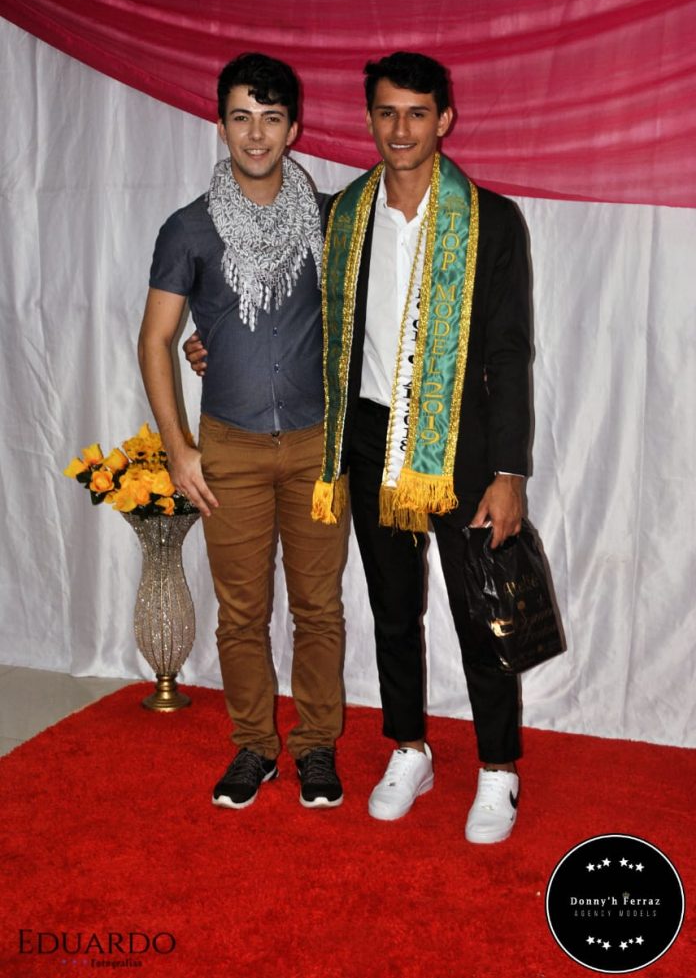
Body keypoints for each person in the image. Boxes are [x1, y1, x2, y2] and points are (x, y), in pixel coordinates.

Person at [311, 52, 532, 843]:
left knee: (483, 612)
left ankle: (499, 766)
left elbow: (509, 352)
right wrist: (213, 346)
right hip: (371, 437)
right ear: (369, 118)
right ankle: (410, 747)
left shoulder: (492, 220)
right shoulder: (343, 216)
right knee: (393, 608)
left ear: (445, 120)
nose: (400, 128)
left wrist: (509, 471)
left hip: (461, 445)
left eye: (416, 112)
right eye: (386, 112)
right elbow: (309, 322)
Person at [138, 53, 346, 812]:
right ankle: (255, 744)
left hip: (319, 447)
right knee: (242, 611)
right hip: (227, 446)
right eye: (241, 117)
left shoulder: (332, 220)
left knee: (318, 608)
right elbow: (156, 339)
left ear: (294, 128)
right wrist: (178, 446)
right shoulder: (189, 228)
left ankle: (317, 745)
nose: (256, 135)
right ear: (221, 125)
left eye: (270, 118)